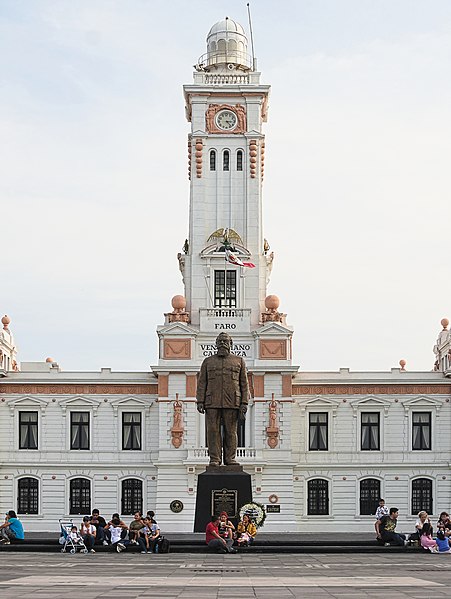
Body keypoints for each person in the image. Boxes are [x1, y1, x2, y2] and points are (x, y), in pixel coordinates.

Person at [196, 332, 249, 466]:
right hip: (211, 401)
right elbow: (202, 382)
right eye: (220, 341)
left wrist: (244, 402)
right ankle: (215, 459)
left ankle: (230, 458)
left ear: (231, 344)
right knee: (212, 431)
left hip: (232, 402)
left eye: (225, 341)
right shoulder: (208, 361)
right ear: (216, 344)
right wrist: (200, 401)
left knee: (231, 431)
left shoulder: (239, 361)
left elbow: (244, 383)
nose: (222, 343)